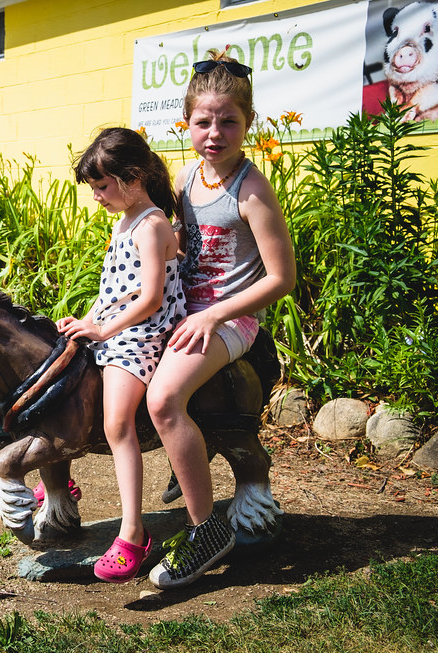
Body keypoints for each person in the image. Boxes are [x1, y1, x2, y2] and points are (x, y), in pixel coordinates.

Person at [146, 50, 296, 590]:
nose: (215, 133)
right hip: (186, 312)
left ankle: (206, 530)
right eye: (203, 121)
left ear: (247, 123)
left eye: (228, 121)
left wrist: (216, 315)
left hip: (230, 320)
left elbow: (280, 279)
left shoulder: (252, 190)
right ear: (186, 122)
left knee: (163, 400)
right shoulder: (187, 178)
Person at [55, 127, 186, 583]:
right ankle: (57, 482)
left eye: (102, 187)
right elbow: (112, 288)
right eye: (93, 189)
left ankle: (132, 532)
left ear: (133, 176)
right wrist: (84, 321)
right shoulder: (124, 220)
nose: (97, 198)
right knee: (57, 378)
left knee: (116, 423)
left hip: (143, 335)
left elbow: (150, 299)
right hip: (115, 327)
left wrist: (102, 329)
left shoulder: (152, 226)